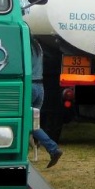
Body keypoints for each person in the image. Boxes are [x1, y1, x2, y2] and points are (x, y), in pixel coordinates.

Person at [30, 38, 63, 168]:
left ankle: (53, 148)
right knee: (33, 124)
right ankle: (53, 149)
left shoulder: (23, 44)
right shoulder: (37, 44)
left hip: (29, 85)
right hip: (40, 86)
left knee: (26, 122)